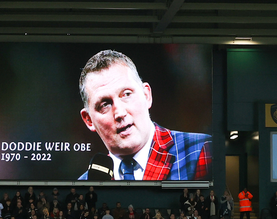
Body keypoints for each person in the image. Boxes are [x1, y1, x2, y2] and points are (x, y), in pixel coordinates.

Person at [77, 50, 211, 181]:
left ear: (147, 95)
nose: (120, 113)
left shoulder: (201, 150)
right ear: (88, 120)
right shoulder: (84, 186)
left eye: (127, 94)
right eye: (105, 104)